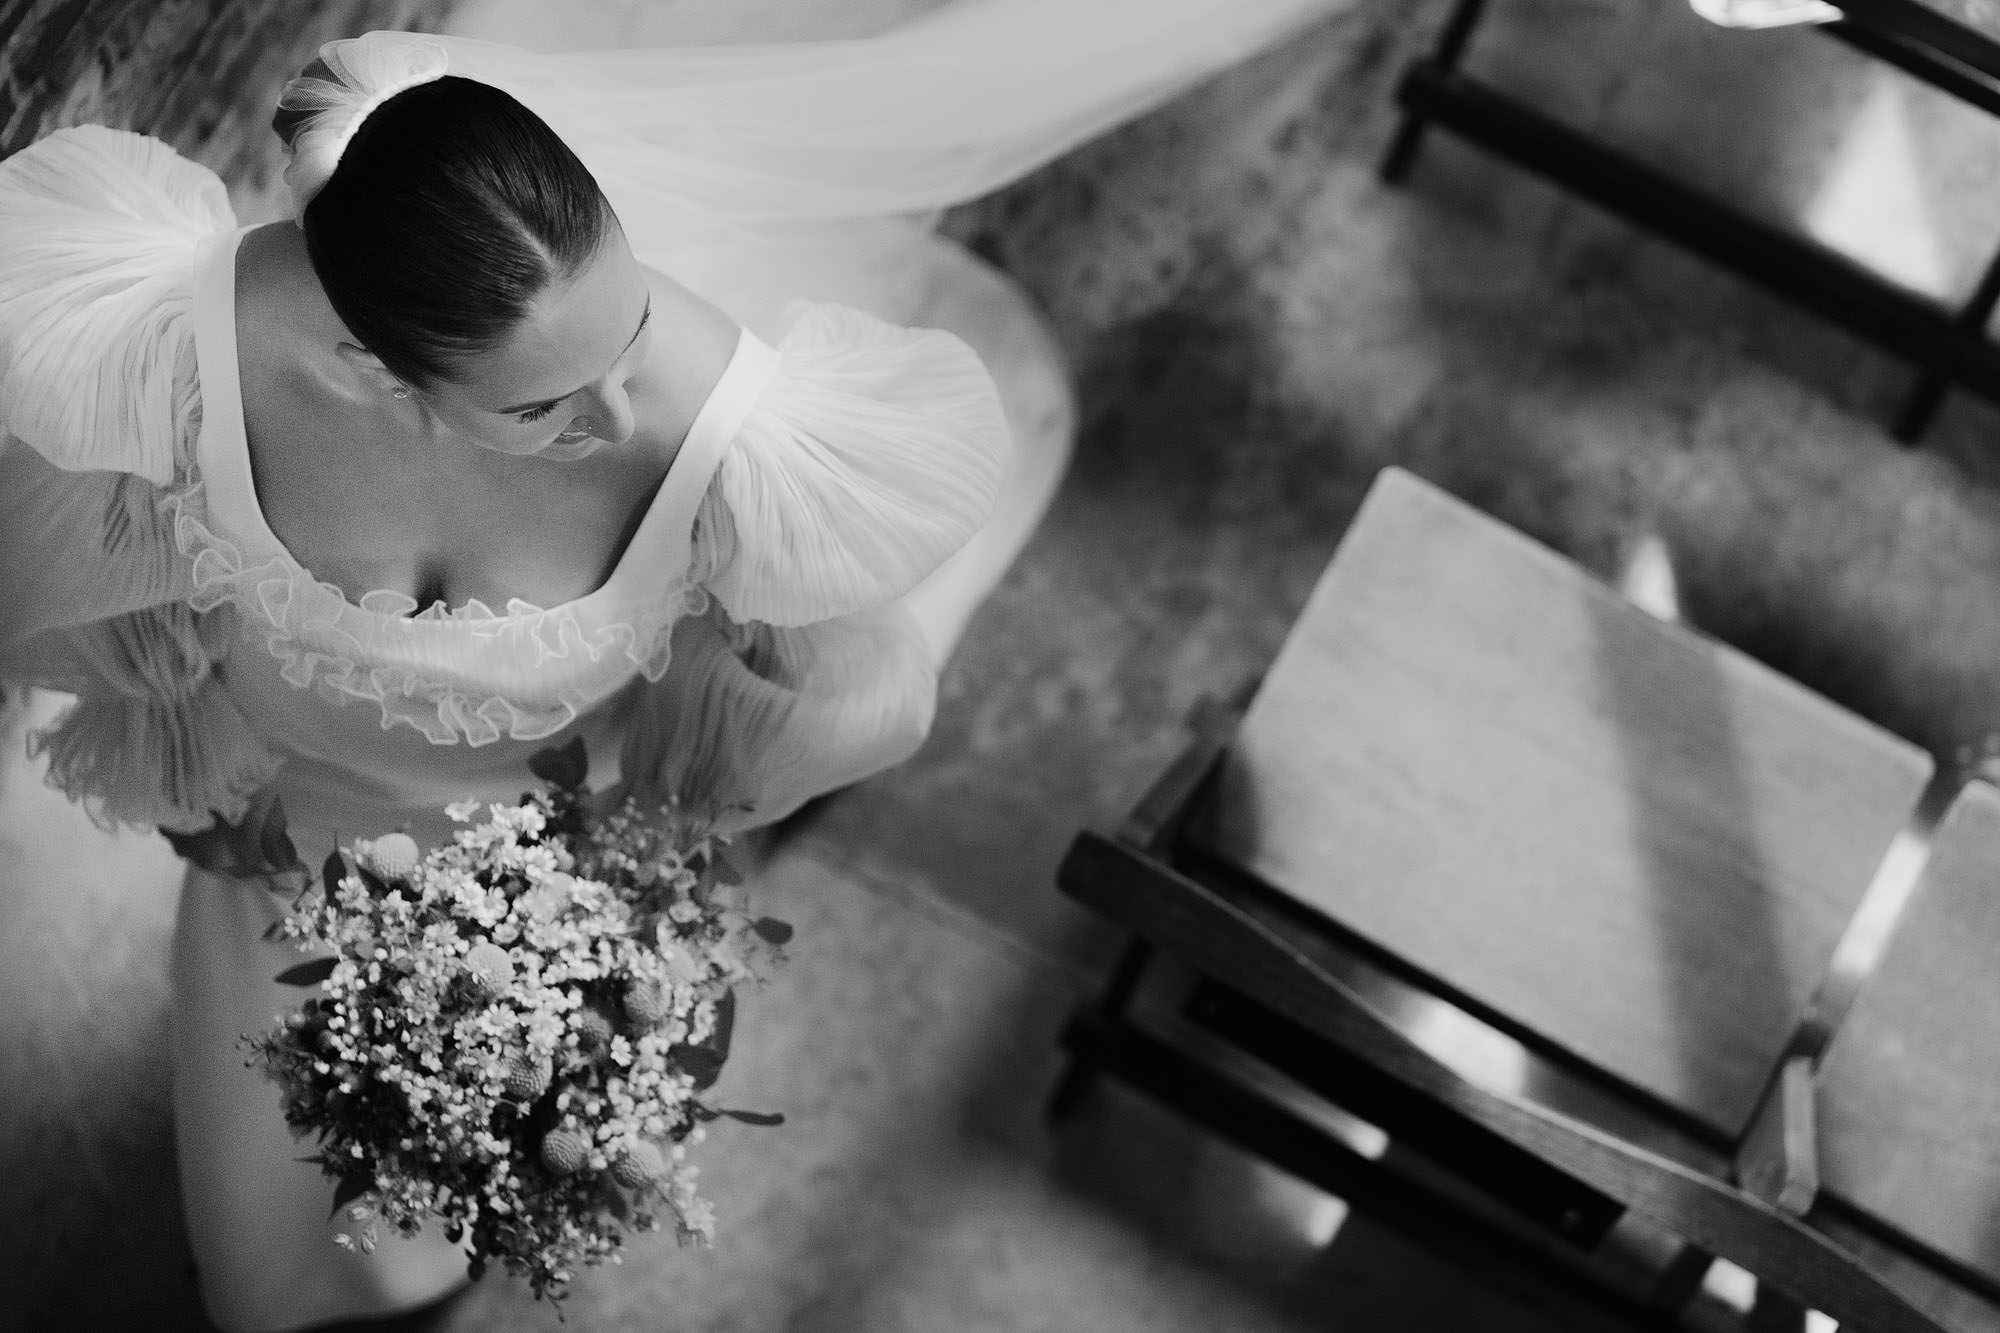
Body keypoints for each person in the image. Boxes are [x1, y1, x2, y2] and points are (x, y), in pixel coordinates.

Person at [0, 4, 1345, 1329]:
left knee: (463, 1197)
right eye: (542, 405)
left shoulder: (740, 448)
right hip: (274, 854)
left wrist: (631, 880)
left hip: (536, 886)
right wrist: (201, 753)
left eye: (628, 336)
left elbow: (833, 705)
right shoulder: (189, 339)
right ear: (368, 366)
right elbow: (74, 564)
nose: (619, 416)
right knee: (259, 1252)